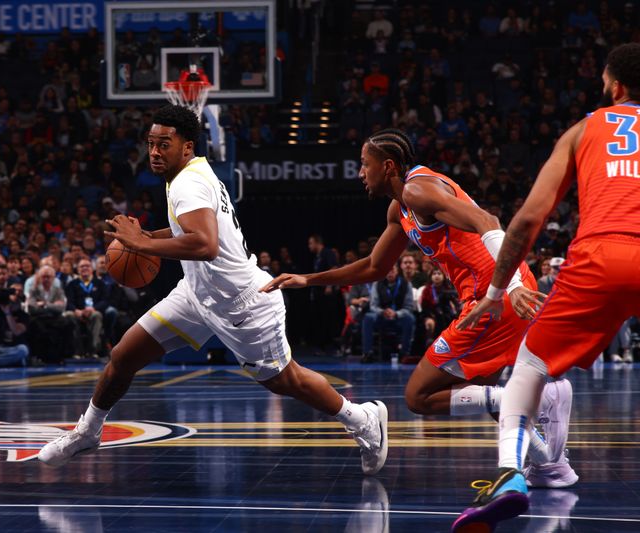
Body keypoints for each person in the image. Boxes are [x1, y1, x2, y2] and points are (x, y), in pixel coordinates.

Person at [39, 105, 388, 475]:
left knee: (286, 380)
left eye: (164, 145)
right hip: (196, 294)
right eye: (151, 144)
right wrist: (144, 236)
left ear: (186, 146)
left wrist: (141, 246)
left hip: (243, 304)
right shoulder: (191, 173)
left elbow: (204, 244)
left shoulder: (188, 183)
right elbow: (191, 235)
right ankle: (88, 431)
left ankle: (362, 419)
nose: (155, 152)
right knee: (124, 355)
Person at [261, 128, 574, 483]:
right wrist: (308, 279)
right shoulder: (400, 209)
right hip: (497, 296)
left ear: (388, 166)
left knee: (419, 396)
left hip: (494, 297)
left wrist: (512, 287)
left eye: (365, 165)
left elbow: (488, 222)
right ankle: (552, 465)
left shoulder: (418, 189)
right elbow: (374, 267)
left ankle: (534, 397)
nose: (360, 173)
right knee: (482, 394)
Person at [452, 43, 640, 532]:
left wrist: (495, 292)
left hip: (600, 253)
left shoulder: (583, 130)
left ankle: (512, 477)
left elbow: (528, 220)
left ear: (614, 86)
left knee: (529, 369)